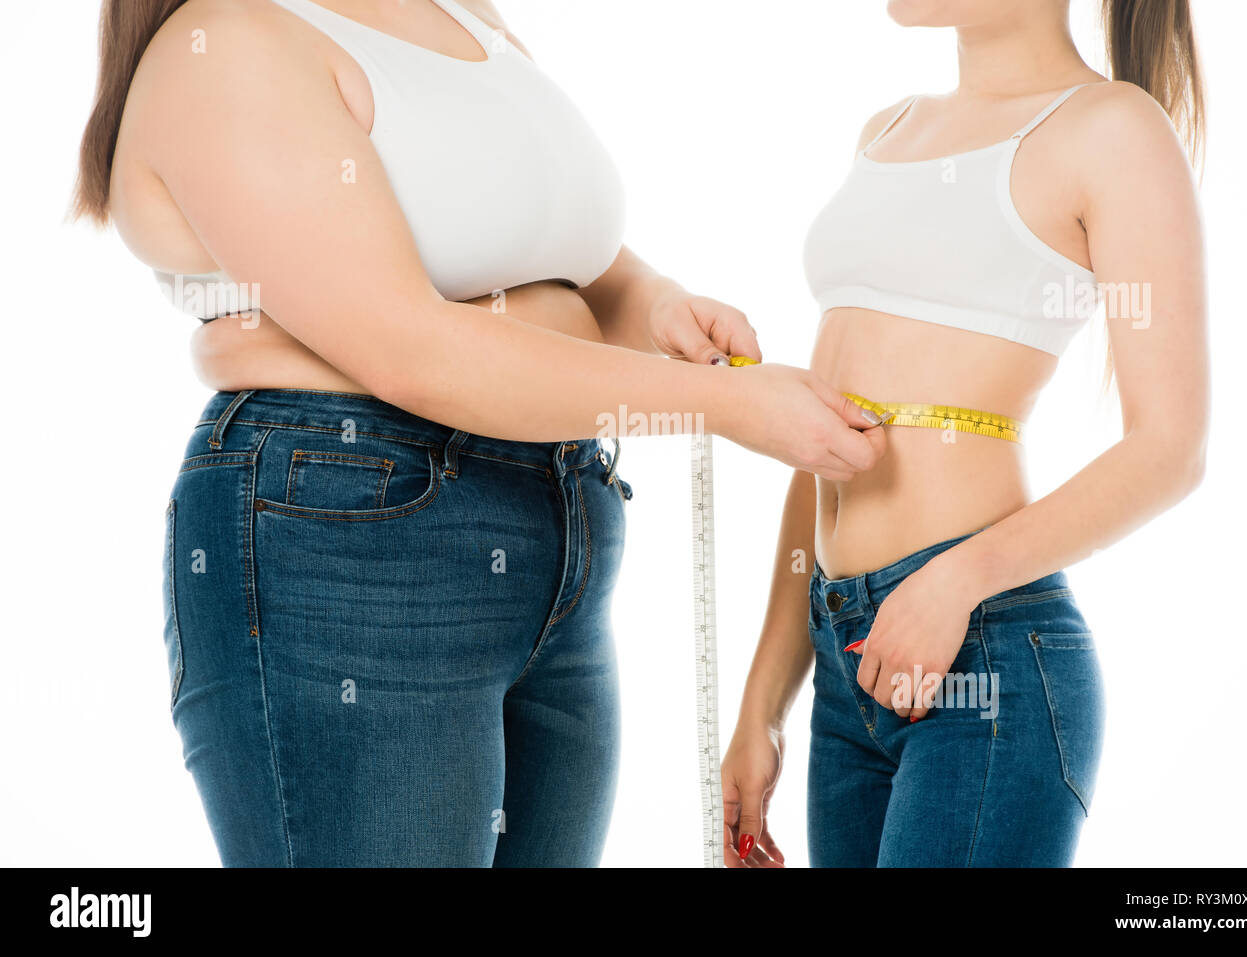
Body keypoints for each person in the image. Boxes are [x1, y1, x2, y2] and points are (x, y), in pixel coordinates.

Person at [72, 0, 886, 866]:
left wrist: (655, 305)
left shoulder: (460, 13)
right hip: (355, 533)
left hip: (556, 518)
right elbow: (410, 348)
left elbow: (563, 253)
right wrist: (728, 406)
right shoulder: (226, 42)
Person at [722, 0, 1207, 867]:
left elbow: (1171, 447)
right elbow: (826, 439)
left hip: (985, 645)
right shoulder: (889, 130)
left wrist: (953, 584)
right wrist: (764, 705)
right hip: (847, 655)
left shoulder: (1112, 129)